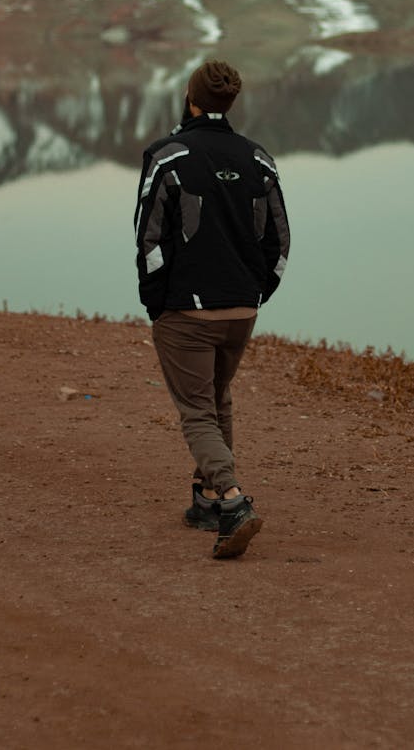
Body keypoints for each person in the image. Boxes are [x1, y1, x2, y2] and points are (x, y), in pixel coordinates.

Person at [134, 60, 290, 559]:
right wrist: (257, 291)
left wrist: (157, 301)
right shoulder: (259, 159)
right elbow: (279, 241)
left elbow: (148, 237)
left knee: (197, 411)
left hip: (188, 313)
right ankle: (205, 500)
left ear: (190, 97)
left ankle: (231, 499)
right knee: (217, 399)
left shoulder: (168, 156)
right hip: (241, 310)